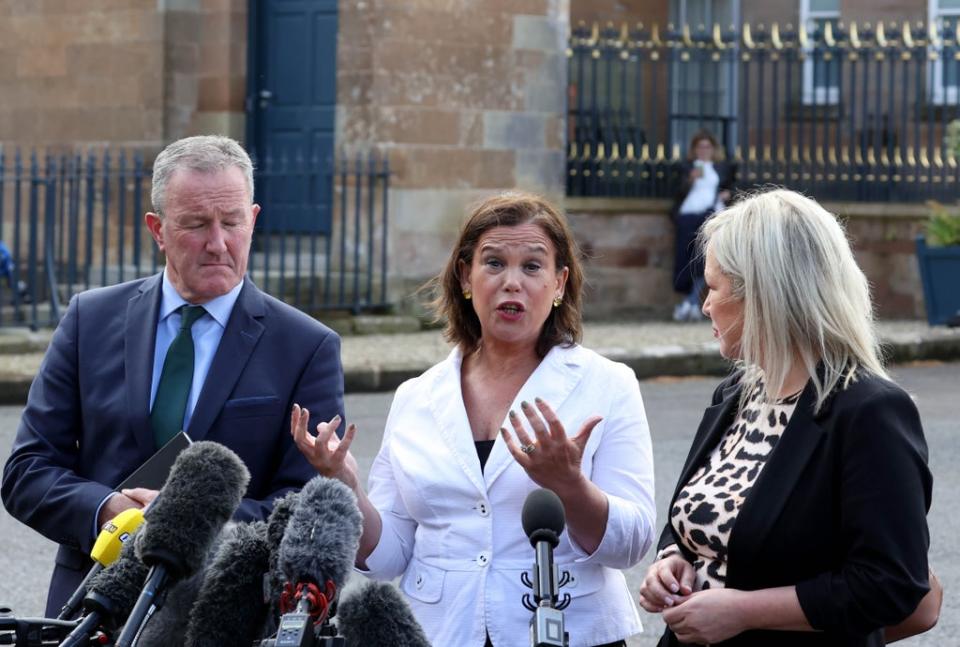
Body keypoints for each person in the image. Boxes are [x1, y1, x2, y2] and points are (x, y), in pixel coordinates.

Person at [292, 192, 656, 647]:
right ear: (465, 276)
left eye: (532, 266)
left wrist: (568, 484)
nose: (511, 283)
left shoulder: (608, 383)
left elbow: (633, 543)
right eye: (494, 263)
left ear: (560, 283)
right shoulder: (417, 396)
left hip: (568, 632)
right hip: (440, 633)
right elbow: (389, 556)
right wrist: (345, 483)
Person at [1, 135, 344, 617]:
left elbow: (307, 506)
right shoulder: (90, 320)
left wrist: (194, 521)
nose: (218, 243)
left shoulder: (306, 346)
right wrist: (109, 512)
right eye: (196, 225)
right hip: (93, 609)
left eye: (232, 222)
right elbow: (27, 473)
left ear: (254, 219)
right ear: (157, 229)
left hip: (222, 617)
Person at [639, 189, 934, 646]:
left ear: (762, 293)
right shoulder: (735, 393)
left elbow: (890, 583)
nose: (705, 306)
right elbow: (704, 516)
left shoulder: (869, 412)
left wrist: (743, 611)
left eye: (713, 287)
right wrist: (674, 557)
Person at [671, 130, 735, 322]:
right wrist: (691, 179)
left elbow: (731, 188)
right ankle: (688, 302)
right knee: (685, 258)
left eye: (707, 146)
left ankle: (690, 302)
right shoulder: (686, 167)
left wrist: (726, 194)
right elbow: (677, 191)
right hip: (688, 214)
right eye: (700, 146)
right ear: (694, 149)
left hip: (711, 215)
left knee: (703, 257)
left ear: (713, 149)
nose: (704, 150)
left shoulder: (721, 168)